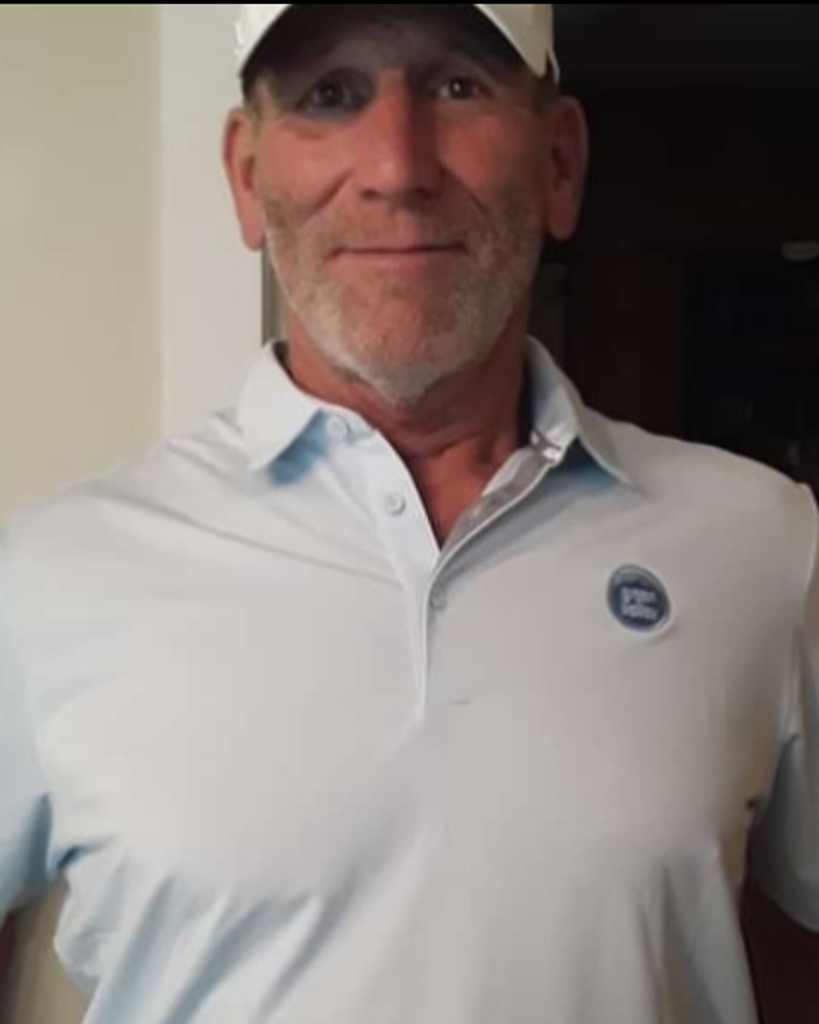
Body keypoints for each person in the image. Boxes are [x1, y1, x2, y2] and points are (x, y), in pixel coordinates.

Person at [1, 4, 817, 1022]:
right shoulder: (50, 577)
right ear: (247, 177)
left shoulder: (766, 545)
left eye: (457, 86)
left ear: (559, 163)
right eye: (330, 95)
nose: (396, 167)